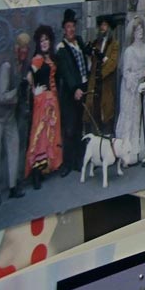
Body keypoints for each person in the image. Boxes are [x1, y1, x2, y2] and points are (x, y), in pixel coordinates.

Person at [0, 28, 32, 204]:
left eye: (26, 48)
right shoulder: (7, 66)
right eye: (21, 48)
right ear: (15, 48)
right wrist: (18, 91)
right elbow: (2, 96)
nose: (23, 51)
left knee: (14, 150)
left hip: (10, 116)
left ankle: (13, 187)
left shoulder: (23, 65)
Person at [23, 26, 63, 187]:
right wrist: (35, 91)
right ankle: (36, 173)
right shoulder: (38, 58)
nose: (45, 42)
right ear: (38, 43)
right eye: (42, 40)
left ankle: (45, 168)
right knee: (39, 136)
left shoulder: (49, 58)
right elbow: (28, 76)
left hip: (52, 101)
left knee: (50, 135)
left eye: (47, 40)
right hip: (42, 102)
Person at [54, 10, 89, 176]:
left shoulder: (79, 42)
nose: (71, 29)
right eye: (68, 27)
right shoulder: (61, 49)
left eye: (73, 26)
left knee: (79, 126)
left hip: (82, 89)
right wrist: (75, 88)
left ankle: (77, 161)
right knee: (69, 128)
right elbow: (66, 72)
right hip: (70, 92)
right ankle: (67, 163)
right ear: (64, 29)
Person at [114, 19, 145, 168]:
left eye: (141, 29)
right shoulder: (129, 51)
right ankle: (126, 154)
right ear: (133, 33)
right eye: (137, 30)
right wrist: (138, 76)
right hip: (130, 90)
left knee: (140, 119)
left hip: (143, 88)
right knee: (129, 118)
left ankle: (139, 151)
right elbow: (126, 73)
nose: (140, 33)